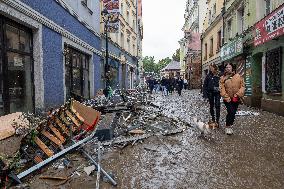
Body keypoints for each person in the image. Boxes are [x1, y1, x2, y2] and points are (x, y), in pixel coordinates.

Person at [220, 63, 245, 135]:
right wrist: (226, 97)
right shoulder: (223, 78)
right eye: (226, 67)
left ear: (232, 68)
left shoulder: (238, 76)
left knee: (233, 113)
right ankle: (227, 127)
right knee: (230, 111)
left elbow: (242, 86)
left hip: (236, 99)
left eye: (229, 67)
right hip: (227, 99)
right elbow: (222, 89)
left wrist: (237, 95)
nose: (228, 68)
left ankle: (230, 125)